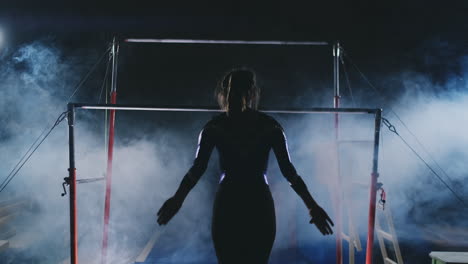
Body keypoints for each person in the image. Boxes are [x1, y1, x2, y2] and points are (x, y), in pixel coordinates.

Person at [157, 68, 334, 264]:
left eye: (238, 91)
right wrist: (177, 199)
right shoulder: (218, 128)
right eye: (232, 91)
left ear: (249, 93)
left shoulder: (267, 127)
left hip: (252, 203)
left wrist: (312, 206)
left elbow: (289, 172)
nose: (234, 96)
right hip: (235, 203)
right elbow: (197, 169)